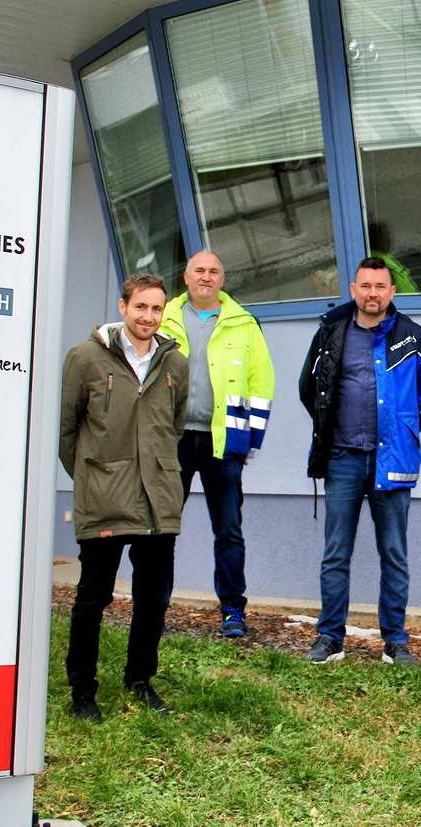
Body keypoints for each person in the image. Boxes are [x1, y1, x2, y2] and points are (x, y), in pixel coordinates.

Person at [298, 257, 421, 665]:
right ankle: (330, 639)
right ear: (353, 289)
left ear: (391, 292)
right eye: (365, 286)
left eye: (380, 286)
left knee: (394, 554)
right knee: (335, 553)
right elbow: (308, 388)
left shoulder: (411, 337)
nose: (372, 293)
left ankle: (395, 643)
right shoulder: (331, 332)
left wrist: (404, 429)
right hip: (343, 459)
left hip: (392, 460)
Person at [59, 274, 189, 720]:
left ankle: (140, 678)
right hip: (105, 497)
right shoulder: (84, 357)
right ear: (122, 306)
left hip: (158, 499)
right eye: (141, 308)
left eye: (157, 309)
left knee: (153, 597)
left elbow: (172, 427)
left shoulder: (175, 363)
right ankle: (82, 690)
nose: (149, 317)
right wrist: (94, 477)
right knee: (93, 597)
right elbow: (67, 430)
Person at [159, 250, 275, 639]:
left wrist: (250, 440)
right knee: (160, 528)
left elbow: (261, 384)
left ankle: (232, 611)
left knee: (228, 530)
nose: (206, 277)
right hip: (170, 439)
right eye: (199, 270)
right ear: (186, 277)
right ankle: (154, 608)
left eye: (214, 271)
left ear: (222, 279)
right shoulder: (164, 317)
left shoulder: (243, 323)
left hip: (222, 441)